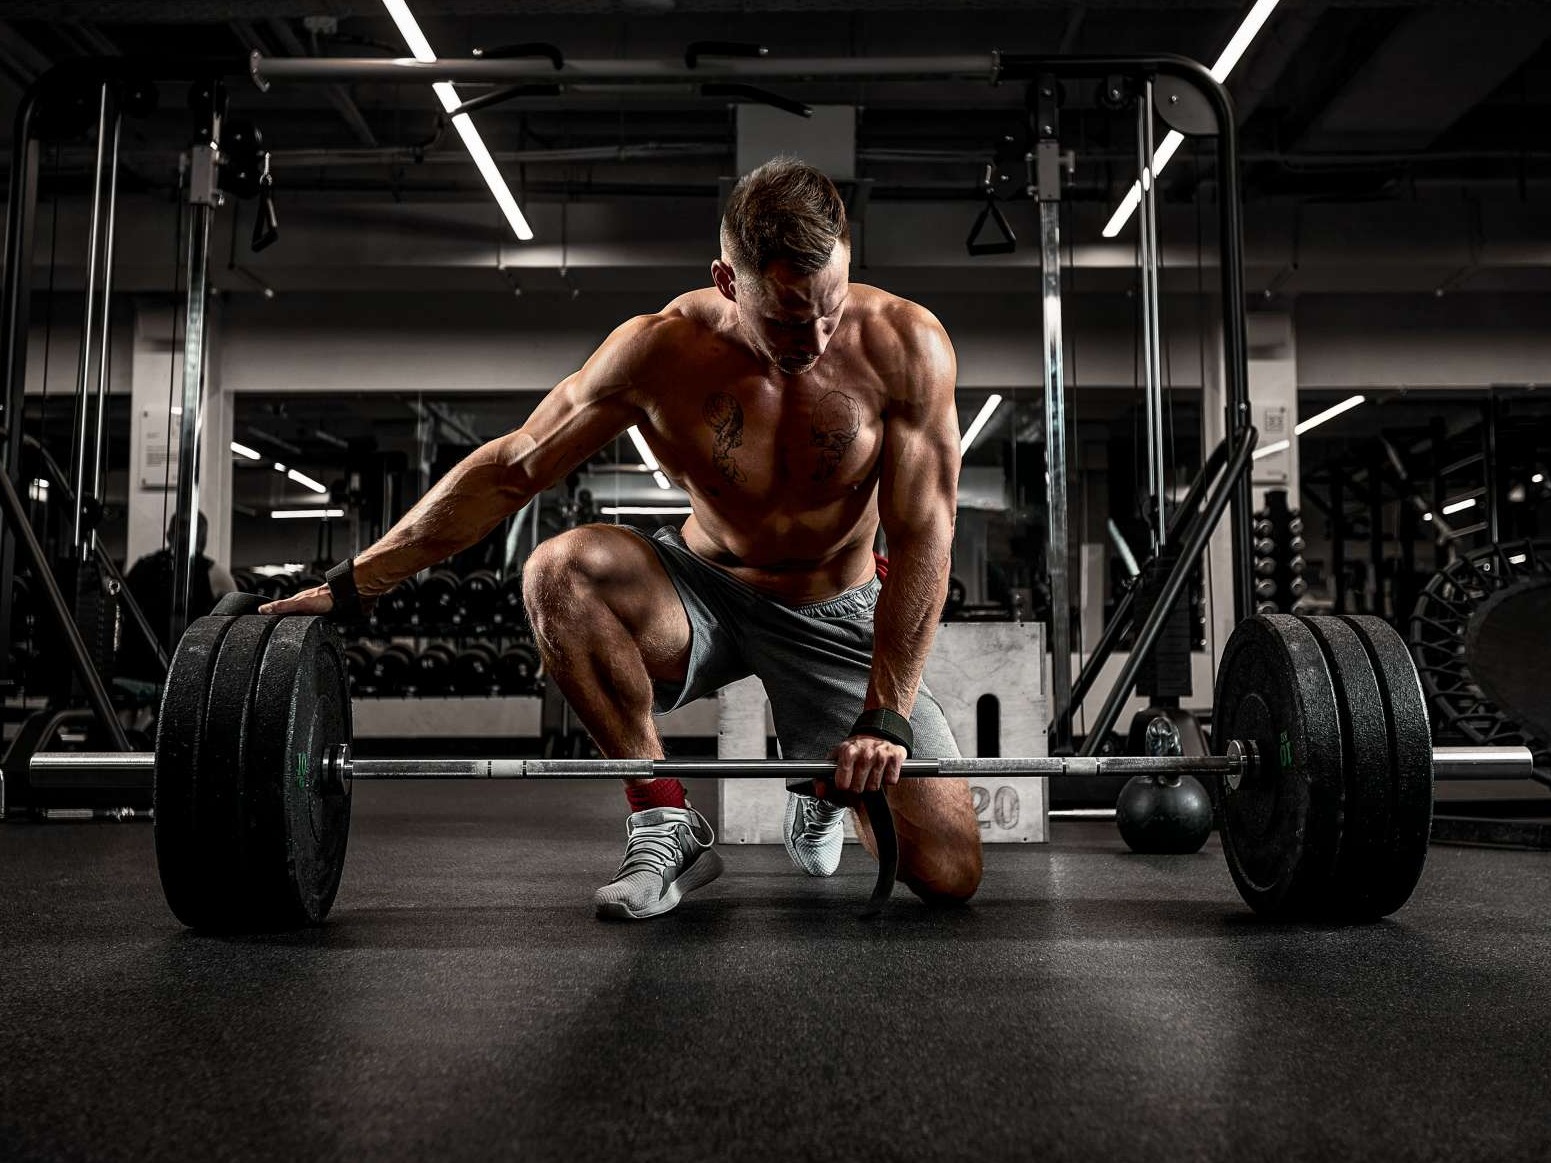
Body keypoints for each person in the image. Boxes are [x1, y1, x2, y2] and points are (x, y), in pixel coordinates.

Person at [264, 158, 983, 919]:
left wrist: (883, 714)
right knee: (558, 571)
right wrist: (355, 583)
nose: (813, 336)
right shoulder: (657, 352)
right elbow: (512, 469)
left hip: (833, 605)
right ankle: (664, 818)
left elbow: (924, 536)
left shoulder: (905, 346)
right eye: (784, 318)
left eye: (829, 309)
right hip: (702, 590)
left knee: (948, 870)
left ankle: (818, 789)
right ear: (727, 281)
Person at [119, 511, 236, 683]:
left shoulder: (215, 574)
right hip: (144, 671)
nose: (184, 537)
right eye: (181, 530)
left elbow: (233, 626)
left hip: (183, 670)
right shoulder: (143, 568)